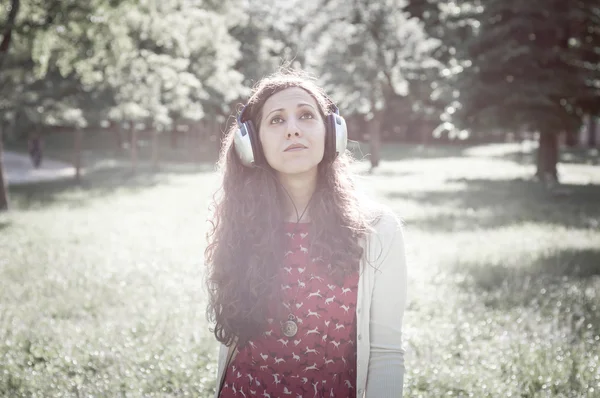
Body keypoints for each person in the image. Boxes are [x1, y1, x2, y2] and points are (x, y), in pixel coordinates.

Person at [204, 69, 408, 398]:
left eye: (305, 115)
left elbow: (386, 353)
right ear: (252, 143)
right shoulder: (240, 224)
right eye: (276, 120)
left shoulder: (378, 229)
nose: (293, 129)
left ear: (332, 132)